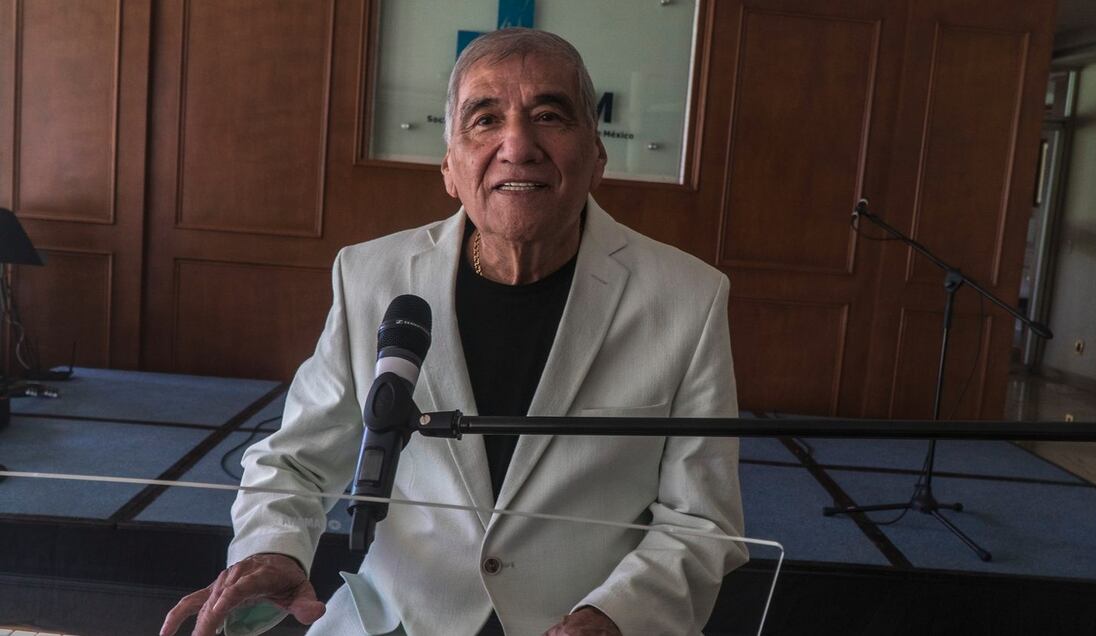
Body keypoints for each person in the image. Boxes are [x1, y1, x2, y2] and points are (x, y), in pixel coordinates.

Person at [162, 28, 746, 636]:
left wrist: (614, 616)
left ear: (597, 156)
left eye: (549, 115)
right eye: (485, 120)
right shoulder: (371, 277)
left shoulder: (688, 298)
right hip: (397, 622)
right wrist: (274, 549)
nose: (517, 145)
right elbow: (297, 462)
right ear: (449, 167)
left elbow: (701, 520)